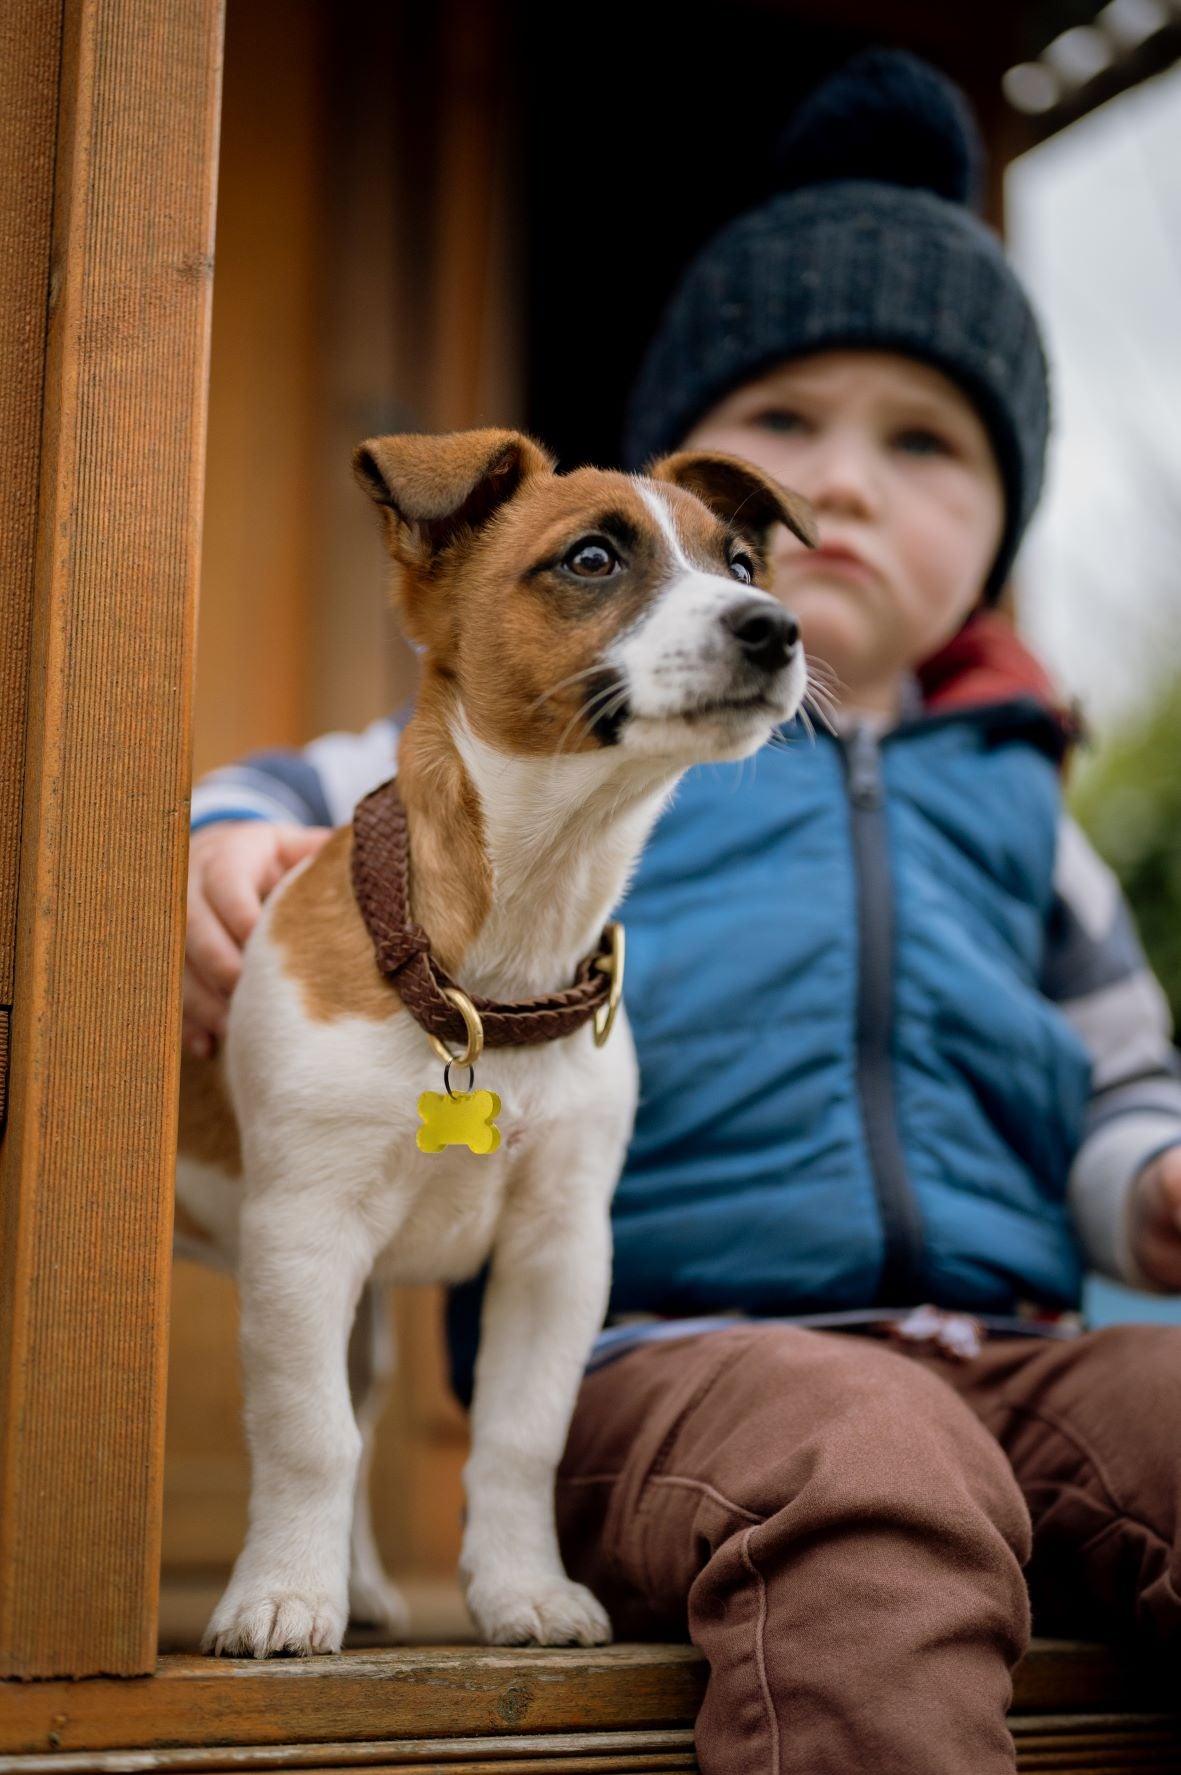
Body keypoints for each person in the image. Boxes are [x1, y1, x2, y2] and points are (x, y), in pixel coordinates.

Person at [184, 50, 1181, 1775]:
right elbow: (328, 778)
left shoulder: (1025, 800)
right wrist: (225, 836)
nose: (841, 493)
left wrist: (1152, 1184)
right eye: (782, 432)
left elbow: (1117, 1082)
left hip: (1015, 1345)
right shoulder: (575, 739)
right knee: (862, 1484)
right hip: (695, 1363)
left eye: (923, 443)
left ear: (1003, 511)